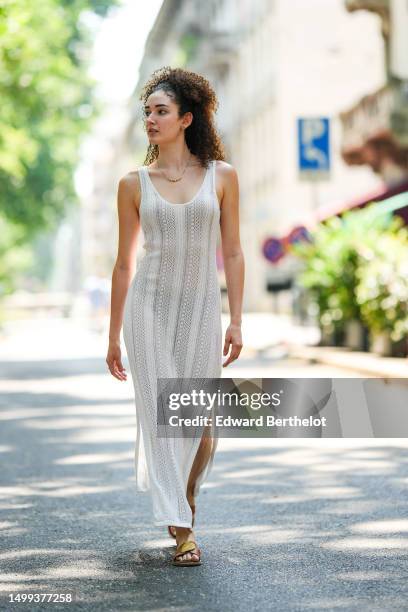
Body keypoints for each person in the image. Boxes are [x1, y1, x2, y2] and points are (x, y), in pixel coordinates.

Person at [106, 66, 245, 567]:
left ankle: (183, 496)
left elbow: (232, 253)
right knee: (166, 418)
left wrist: (236, 320)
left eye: (161, 111)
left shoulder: (222, 177)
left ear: (186, 119)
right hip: (147, 309)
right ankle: (184, 531)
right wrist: (112, 337)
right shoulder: (132, 184)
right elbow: (123, 263)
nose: (151, 119)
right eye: (147, 111)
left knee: (203, 425)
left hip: (203, 308)